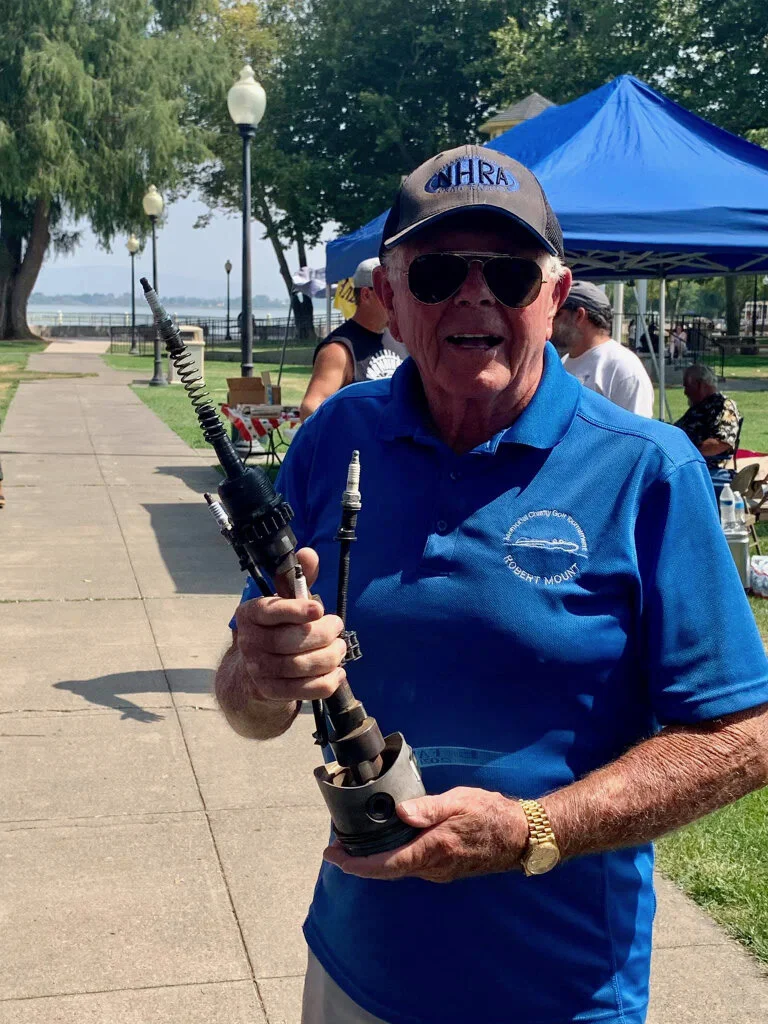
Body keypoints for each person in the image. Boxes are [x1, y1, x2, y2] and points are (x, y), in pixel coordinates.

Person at [215, 146, 768, 1024]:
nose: (475, 295)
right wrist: (257, 674)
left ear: (556, 297)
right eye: (437, 272)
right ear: (389, 297)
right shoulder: (334, 439)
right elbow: (249, 705)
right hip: (358, 970)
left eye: (509, 274)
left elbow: (743, 735)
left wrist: (530, 831)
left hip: (560, 989)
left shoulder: (647, 469)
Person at [299, 258, 407, 420]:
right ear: (366, 294)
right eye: (388, 292)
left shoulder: (399, 339)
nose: (396, 300)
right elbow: (310, 408)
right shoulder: (338, 350)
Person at [554, 281, 655, 417]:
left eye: (557, 314)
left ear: (579, 316)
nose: (549, 320)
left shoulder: (623, 368)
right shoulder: (563, 362)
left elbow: (636, 429)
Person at [675, 363, 741, 499]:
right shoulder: (699, 406)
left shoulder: (724, 406)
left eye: (687, 386)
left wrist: (688, 454)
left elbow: (723, 442)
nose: (685, 392)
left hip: (703, 468)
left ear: (700, 385)